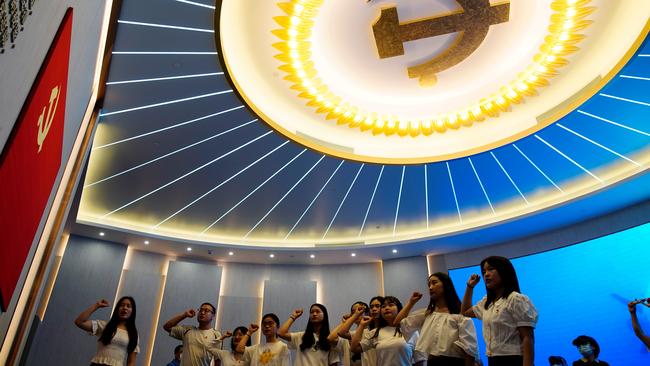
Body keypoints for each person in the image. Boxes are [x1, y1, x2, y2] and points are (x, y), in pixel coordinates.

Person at [461, 256, 538, 366]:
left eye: (491, 269)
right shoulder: (487, 302)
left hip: (514, 360)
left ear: (504, 271)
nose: (486, 274)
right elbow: (464, 312)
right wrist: (469, 287)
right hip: (492, 360)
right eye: (484, 271)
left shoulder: (516, 299)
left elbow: (527, 338)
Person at [394, 273, 479, 366]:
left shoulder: (459, 315)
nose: (430, 287)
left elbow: (470, 350)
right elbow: (397, 323)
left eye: (434, 283)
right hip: (432, 362)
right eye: (429, 284)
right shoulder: (427, 314)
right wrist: (411, 302)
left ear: (446, 285)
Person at [349, 296, 417, 366]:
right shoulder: (375, 332)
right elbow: (354, 348)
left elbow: (421, 360)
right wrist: (362, 325)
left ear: (399, 309)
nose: (387, 308)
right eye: (383, 306)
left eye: (391, 305)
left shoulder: (411, 330)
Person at [74, 297, 139, 366]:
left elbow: (131, 362)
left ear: (132, 311)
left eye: (128, 306)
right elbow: (79, 322)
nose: (125, 308)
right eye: (122, 305)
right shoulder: (104, 326)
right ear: (117, 309)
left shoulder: (133, 334)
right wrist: (97, 305)